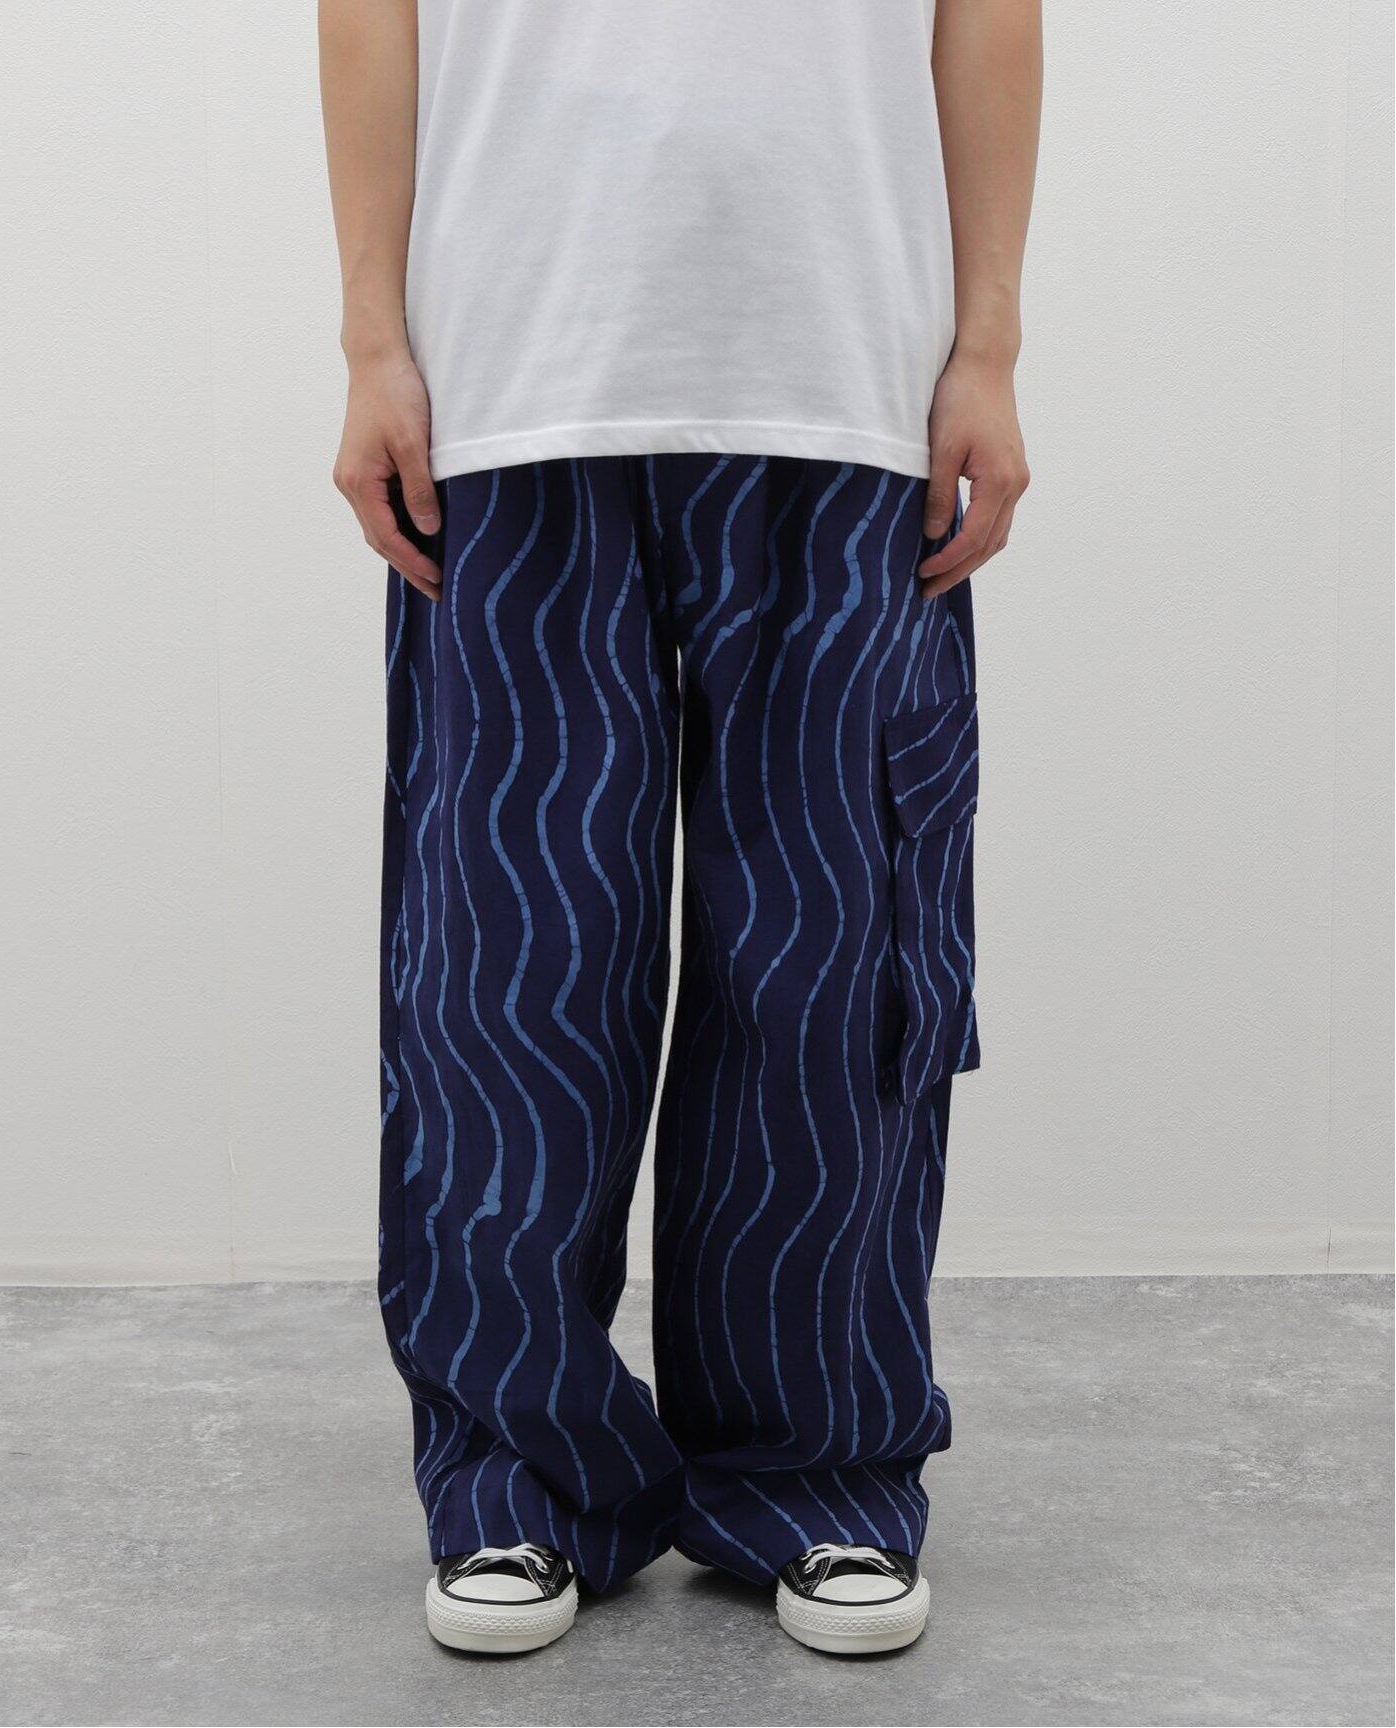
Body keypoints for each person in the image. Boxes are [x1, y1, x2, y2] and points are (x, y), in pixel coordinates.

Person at [320, 0, 1040, 1659]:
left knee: (826, 962)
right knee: (508, 981)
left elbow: (987, 15)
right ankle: (516, 1475)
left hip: (846, 378)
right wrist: (370, 341)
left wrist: (988, 348)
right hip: (511, 382)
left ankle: (818, 1470)